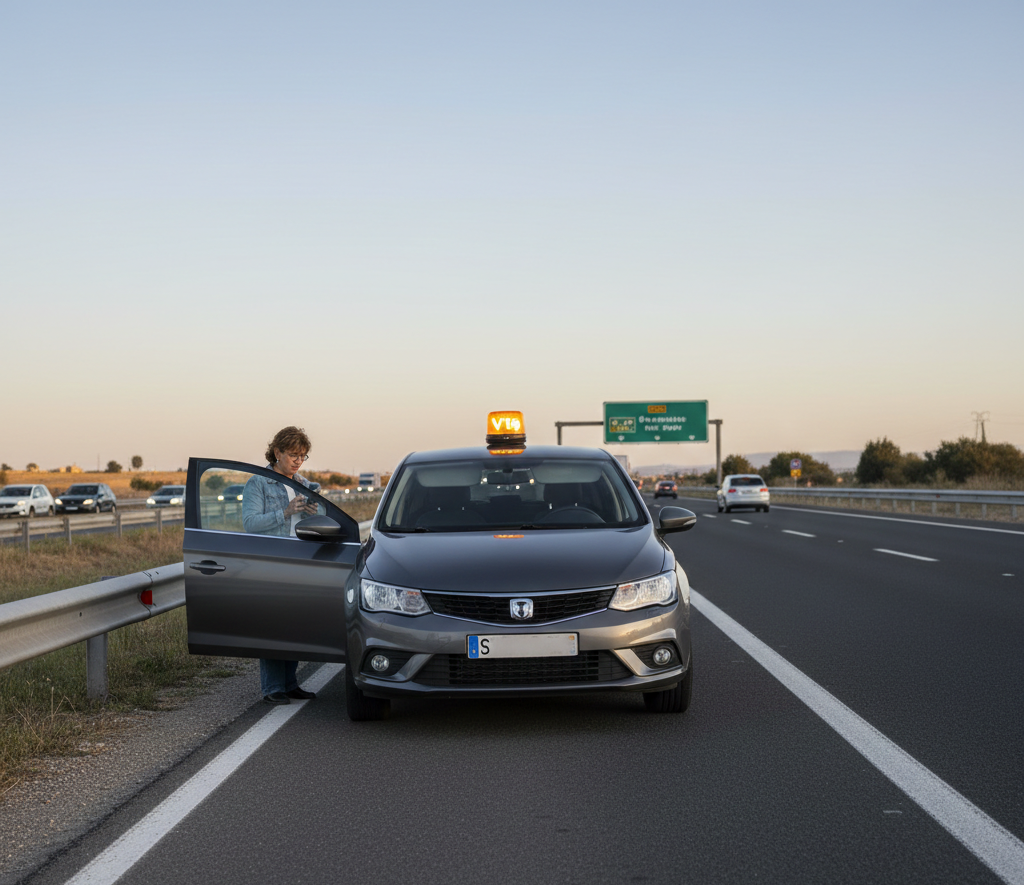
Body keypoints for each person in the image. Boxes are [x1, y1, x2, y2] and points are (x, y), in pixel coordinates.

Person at [242, 425, 322, 705]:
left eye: (303, 455)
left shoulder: (305, 483)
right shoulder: (258, 483)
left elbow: (319, 522)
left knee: (295, 626)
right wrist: (284, 512)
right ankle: (272, 687)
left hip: (300, 561)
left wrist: (315, 512)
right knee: (273, 626)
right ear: (277, 452)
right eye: (293, 454)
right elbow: (250, 524)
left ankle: (290, 684)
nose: (298, 460)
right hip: (271, 562)